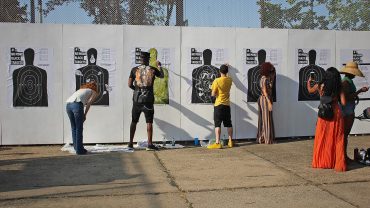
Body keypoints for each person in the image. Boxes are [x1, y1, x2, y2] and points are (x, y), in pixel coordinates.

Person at [308, 67, 347, 171]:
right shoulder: (339, 86)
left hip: (324, 113)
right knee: (337, 139)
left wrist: (309, 82)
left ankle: (322, 162)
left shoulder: (321, 85)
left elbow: (310, 90)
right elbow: (343, 103)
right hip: (336, 113)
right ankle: (337, 163)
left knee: (322, 138)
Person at [128, 52, 164, 151]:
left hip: (137, 100)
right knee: (149, 122)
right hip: (148, 99)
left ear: (140, 59)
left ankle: (130, 143)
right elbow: (161, 75)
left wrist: (136, 89)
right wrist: (159, 66)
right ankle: (149, 144)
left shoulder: (134, 70)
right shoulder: (153, 69)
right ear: (148, 59)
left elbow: (129, 84)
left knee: (134, 121)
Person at [340, 61, 369, 160]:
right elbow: (346, 97)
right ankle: (343, 156)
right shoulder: (346, 82)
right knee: (345, 134)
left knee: (345, 135)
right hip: (347, 110)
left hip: (348, 109)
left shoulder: (347, 81)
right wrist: (360, 91)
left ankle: (344, 155)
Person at [66, 81, 98, 155]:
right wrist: (85, 114)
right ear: (95, 87)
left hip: (68, 106)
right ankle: (80, 150)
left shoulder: (81, 89)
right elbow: (89, 103)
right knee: (79, 128)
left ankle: (76, 147)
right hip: (77, 105)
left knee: (74, 127)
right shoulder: (94, 91)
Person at [208, 64, 233, 149]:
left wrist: (213, 93)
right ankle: (230, 141)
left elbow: (213, 94)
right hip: (227, 105)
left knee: (217, 124)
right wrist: (227, 68)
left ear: (219, 71)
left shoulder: (217, 81)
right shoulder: (230, 80)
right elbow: (227, 76)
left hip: (218, 105)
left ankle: (218, 143)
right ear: (227, 71)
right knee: (229, 124)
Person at [257, 62, 275, 144]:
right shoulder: (264, 79)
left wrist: (272, 78)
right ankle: (266, 139)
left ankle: (264, 138)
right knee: (266, 119)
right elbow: (265, 91)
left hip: (265, 99)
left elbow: (270, 87)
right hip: (265, 99)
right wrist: (269, 102)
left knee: (266, 118)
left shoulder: (266, 78)